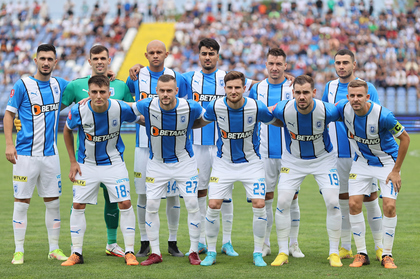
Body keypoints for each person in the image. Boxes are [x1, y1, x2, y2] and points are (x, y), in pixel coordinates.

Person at [197, 71, 279, 267]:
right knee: (214, 205)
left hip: (252, 164)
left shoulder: (256, 106)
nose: (233, 91)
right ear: (224, 89)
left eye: (237, 87)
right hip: (223, 163)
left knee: (259, 204)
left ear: (244, 88)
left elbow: (275, 120)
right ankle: (211, 252)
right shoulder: (215, 106)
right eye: (229, 87)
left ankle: (258, 253)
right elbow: (201, 121)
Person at [60, 44, 134, 258]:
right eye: (96, 58)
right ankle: (76, 252)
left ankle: (114, 244)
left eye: (103, 58)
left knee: (117, 200)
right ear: (89, 60)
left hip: (113, 159)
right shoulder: (76, 87)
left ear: (109, 60)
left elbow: (136, 110)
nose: (100, 61)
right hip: (87, 160)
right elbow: (63, 115)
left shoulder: (119, 86)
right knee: (78, 203)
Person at [182, 38, 254, 256]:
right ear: (199, 55)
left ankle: (227, 242)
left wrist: (288, 79)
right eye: (204, 53)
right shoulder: (187, 78)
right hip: (197, 143)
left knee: (226, 192)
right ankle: (202, 241)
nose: (207, 57)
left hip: (224, 145)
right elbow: (163, 83)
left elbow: (262, 85)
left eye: (211, 53)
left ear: (217, 56)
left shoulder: (228, 78)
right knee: (200, 191)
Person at [4, 44, 69, 265]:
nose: (46, 62)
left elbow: (83, 87)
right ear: (35, 60)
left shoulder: (60, 85)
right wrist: (9, 144)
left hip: (50, 156)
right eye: (42, 58)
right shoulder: (23, 84)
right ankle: (19, 250)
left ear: (55, 62)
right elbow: (9, 115)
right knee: (21, 203)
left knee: (53, 203)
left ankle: (54, 249)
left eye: (50, 59)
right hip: (25, 156)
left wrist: (104, 74)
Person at [335, 79, 410, 269]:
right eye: (352, 96)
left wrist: (395, 171)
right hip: (361, 162)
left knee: (389, 206)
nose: (355, 99)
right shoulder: (343, 110)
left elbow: (405, 139)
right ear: (348, 97)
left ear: (367, 97)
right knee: (353, 203)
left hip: (386, 163)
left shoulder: (384, 116)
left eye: (359, 95)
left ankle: (387, 255)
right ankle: (361, 253)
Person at [131, 74, 204, 266]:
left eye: (169, 90)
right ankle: (155, 253)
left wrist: (189, 126)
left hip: (184, 163)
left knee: (191, 203)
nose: (165, 94)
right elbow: (124, 109)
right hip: (157, 163)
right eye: (162, 90)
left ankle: (194, 251)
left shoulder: (190, 106)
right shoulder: (146, 105)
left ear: (176, 91)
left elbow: (207, 117)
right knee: (152, 205)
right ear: (156, 91)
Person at [271, 75, 342, 267]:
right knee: (283, 201)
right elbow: (265, 113)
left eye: (306, 92)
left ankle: (334, 253)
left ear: (314, 93)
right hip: (293, 161)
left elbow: (349, 112)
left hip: (323, 160)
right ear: (292, 93)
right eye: (298, 93)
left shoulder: (327, 110)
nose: (302, 97)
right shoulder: (283, 108)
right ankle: (283, 252)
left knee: (333, 202)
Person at [126, 40, 188, 258]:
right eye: (151, 52)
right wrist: (142, 120)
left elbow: (184, 107)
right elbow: (128, 105)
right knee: (143, 195)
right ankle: (145, 241)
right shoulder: (135, 76)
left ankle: (172, 241)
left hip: (171, 147)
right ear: (145, 55)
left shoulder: (177, 77)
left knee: (173, 196)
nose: (155, 56)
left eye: (158, 52)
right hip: (143, 145)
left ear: (166, 54)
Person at [322, 49, 383, 261]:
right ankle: (346, 247)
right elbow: (324, 116)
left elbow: (375, 117)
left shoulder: (368, 88)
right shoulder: (329, 87)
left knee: (371, 199)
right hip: (336, 155)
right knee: (343, 201)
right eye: (338, 62)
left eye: (345, 62)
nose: (341, 66)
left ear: (354, 65)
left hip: (362, 156)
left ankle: (380, 247)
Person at [249, 48, 304, 258]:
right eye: (271, 63)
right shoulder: (257, 88)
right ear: (265, 64)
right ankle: (265, 243)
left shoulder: (293, 88)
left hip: (290, 153)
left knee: (292, 198)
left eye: (279, 64)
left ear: (285, 66)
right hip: (264, 152)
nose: (274, 68)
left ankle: (294, 244)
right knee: (266, 197)